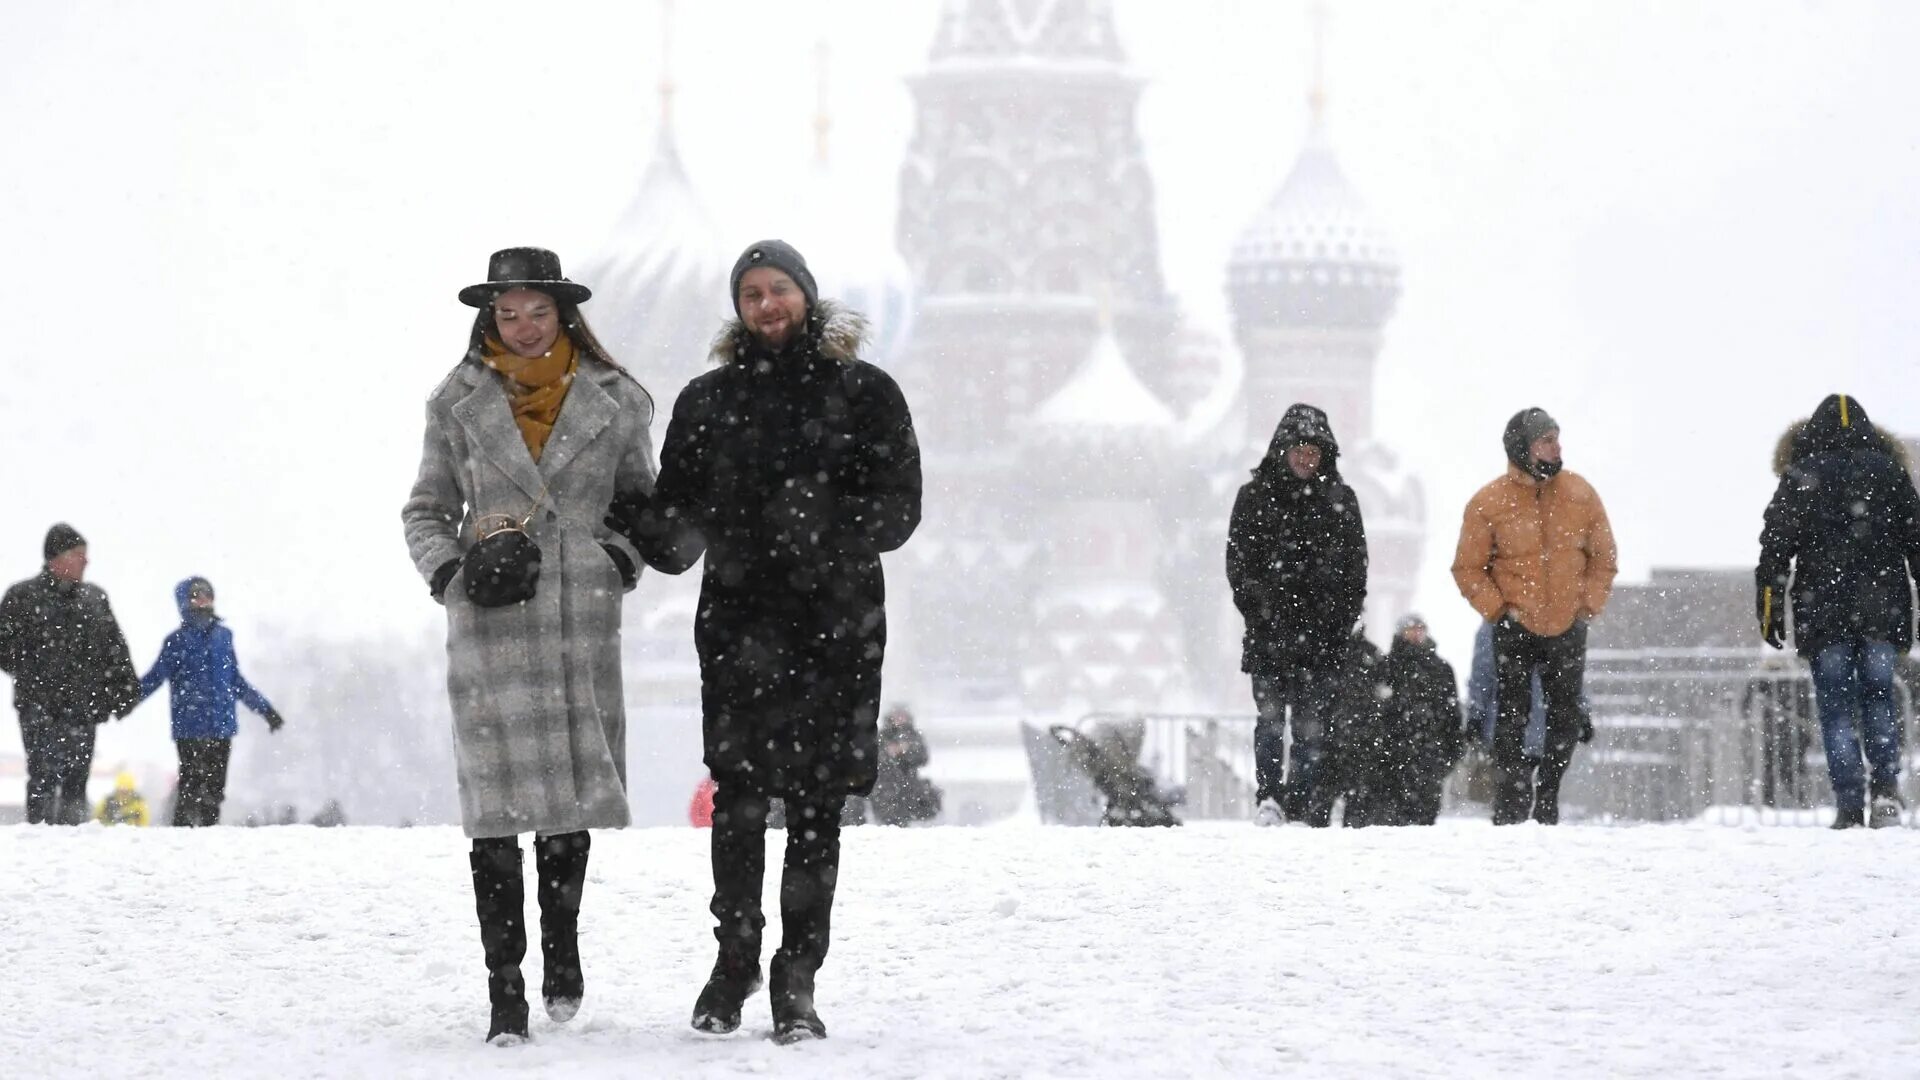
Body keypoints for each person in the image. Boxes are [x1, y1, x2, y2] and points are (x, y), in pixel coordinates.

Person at [610, 239, 921, 1043]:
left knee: (817, 808)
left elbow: (900, 509)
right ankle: (736, 956)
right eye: (751, 293)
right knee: (738, 802)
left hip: (835, 629)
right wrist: (639, 519)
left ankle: (798, 976)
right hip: (742, 626)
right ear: (738, 308)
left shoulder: (864, 394)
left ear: (806, 297)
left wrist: (826, 518)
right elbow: (679, 529)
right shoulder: (710, 402)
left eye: (778, 288)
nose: (766, 304)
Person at [402, 247, 661, 1045]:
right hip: (492, 619)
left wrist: (615, 560)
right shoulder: (456, 403)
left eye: (535, 312)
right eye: (506, 313)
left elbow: (640, 506)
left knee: (570, 796)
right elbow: (423, 509)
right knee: (494, 810)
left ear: (563, 315)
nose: (520, 327)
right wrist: (454, 573)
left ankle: (564, 946)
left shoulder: (617, 401)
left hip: (578, 616)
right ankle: (504, 987)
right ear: (490, 317)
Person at [1756, 394, 1920, 829]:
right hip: (1882, 608)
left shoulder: (1800, 476)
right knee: (1880, 697)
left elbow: (1775, 549)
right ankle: (1885, 789)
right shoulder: (1890, 473)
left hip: (1822, 609)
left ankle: (1848, 802)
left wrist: (1770, 608)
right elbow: (1917, 542)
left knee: (1834, 706)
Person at [1452, 408, 1617, 825]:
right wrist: (1498, 610)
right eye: (1545, 440)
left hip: (1566, 625)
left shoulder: (1580, 494)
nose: (1555, 447)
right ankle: (1512, 796)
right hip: (1515, 626)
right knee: (1512, 716)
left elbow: (1604, 558)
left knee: (1564, 716)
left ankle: (1549, 793)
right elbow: (1467, 568)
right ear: (1522, 448)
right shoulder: (1489, 503)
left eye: (1557, 438)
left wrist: (1586, 606)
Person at [1225, 403, 1368, 828]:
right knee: (1270, 722)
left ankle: (1302, 803)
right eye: (1299, 450)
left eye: (1314, 452)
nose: (1306, 459)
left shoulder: (1341, 501)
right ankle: (1269, 798)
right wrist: (1259, 609)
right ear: (1282, 450)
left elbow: (1355, 571)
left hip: (1321, 638)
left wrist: (1338, 622)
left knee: (1310, 726)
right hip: (1271, 634)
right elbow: (1238, 563)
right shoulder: (1253, 497)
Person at [0, 524, 141, 825]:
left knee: (76, 782)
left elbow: (115, 649)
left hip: (83, 708)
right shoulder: (22, 597)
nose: (85, 562)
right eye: (78, 555)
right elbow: (4, 650)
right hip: (38, 706)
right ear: (56, 558)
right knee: (43, 777)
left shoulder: (94, 600)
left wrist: (126, 690)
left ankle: (73, 849)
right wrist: (34, 670)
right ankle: (40, 844)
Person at [133, 577, 284, 827]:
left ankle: (209, 837)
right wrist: (126, 700)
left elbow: (236, 681)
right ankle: (181, 838)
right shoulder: (176, 642)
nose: (203, 601)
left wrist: (265, 710)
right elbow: (155, 677)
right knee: (191, 786)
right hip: (190, 727)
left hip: (221, 726)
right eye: (196, 596)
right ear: (184, 601)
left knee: (215, 790)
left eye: (207, 595)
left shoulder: (223, 637)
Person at [1371, 616, 1465, 826]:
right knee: (1390, 823)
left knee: (1425, 820)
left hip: (1430, 756)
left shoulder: (1441, 669)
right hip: (1392, 757)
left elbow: (1452, 715)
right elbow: (1375, 713)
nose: (1416, 633)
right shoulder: (1387, 666)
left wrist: (1451, 752)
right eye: (1410, 629)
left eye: (1420, 629)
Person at [869, 704, 941, 826]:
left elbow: (923, 757)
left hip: (908, 781)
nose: (899, 719)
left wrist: (906, 751)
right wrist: (888, 753)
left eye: (902, 716)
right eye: (896, 716)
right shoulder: (881, 736)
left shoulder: (914, 736)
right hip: (884, 783)